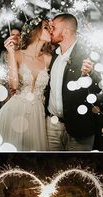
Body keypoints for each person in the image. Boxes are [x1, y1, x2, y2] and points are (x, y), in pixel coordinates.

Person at [0, 18, 51, 150]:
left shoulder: (48, 58)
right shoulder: (17, 55)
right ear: (35, 31)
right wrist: (11, 53)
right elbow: (13, 85)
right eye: (46, 27)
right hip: (15, 110)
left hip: (37, 114)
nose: (50, 30)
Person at [46, 13, 101, 151]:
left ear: (66, 31)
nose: (50, 30)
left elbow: (99, 85)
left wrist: (90, 73)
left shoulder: (89, 52)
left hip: (80, 127)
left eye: (54, 28)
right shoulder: (53, 55)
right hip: (52, 126)